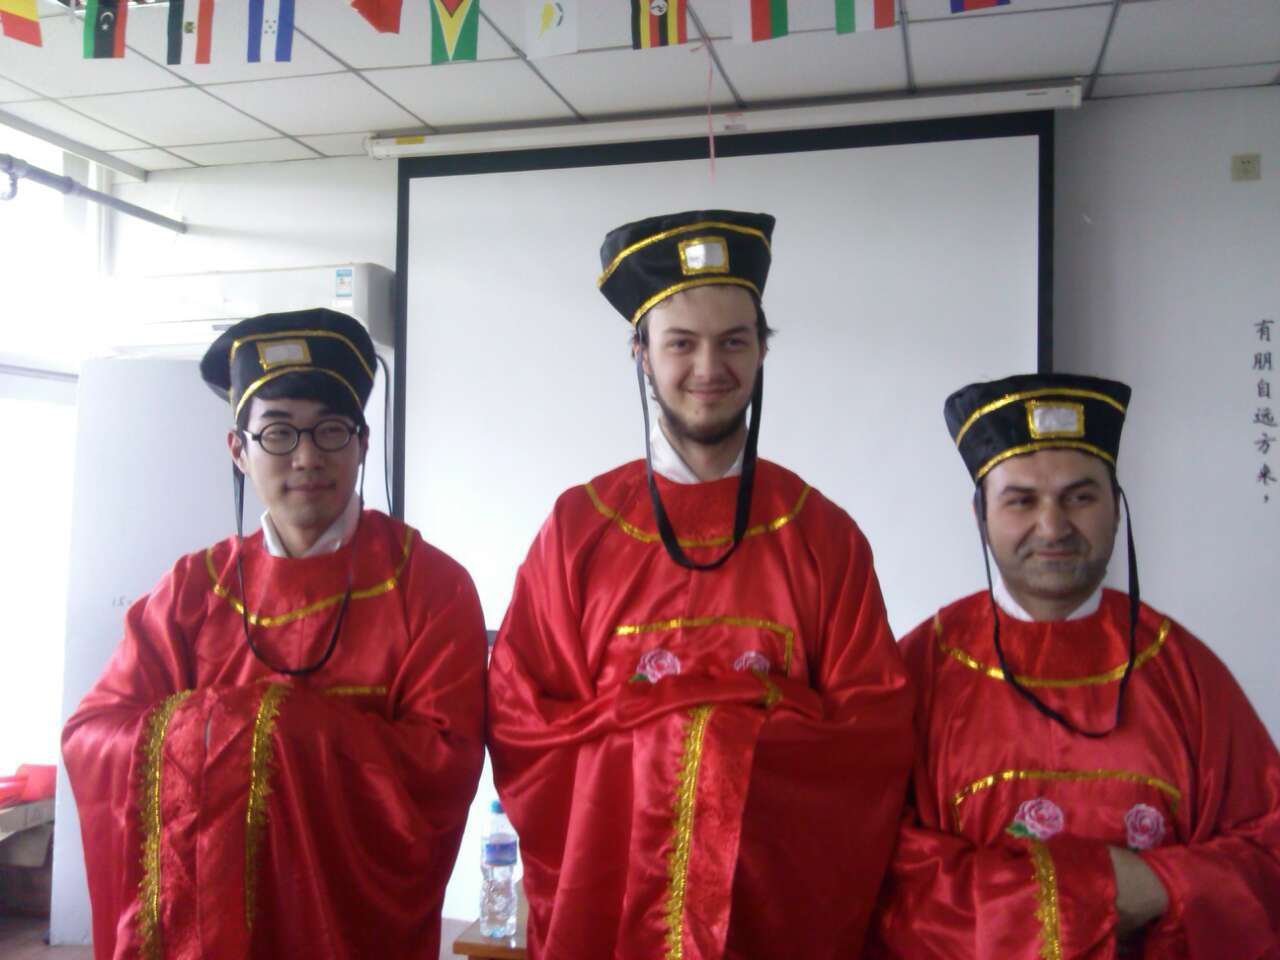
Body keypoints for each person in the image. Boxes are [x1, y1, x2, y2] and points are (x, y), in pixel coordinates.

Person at [487, 210, 913, 959]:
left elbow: (871, 738)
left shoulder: (823, 537)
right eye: (681, 342)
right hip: (615, 916)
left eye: (734, 341)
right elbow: (524, 722)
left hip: (770, 921)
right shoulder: (578, 529)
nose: (709, 367)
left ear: (762, 351)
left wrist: (677, 731)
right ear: (641, 353)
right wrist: (736, 717)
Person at [62, 309, 487, 960]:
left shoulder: (429, 587)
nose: (307, 457)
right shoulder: (192, 591)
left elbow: (441, 768)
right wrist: (227, 733)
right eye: (279, 432)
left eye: (331, 429)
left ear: (362, 442)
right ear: (239, 449)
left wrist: (268, 730)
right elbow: (93, 734)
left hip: (350, 932)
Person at [871, 372, 1280, 959]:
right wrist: (1100, 892)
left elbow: (1267, 849)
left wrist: (1157, 886)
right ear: (980, 514)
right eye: (1021, 500)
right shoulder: (916, 672)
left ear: (1116, 508)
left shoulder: (1184, 672)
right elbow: (880, 865)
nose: (1053, 526)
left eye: (1080, 497)